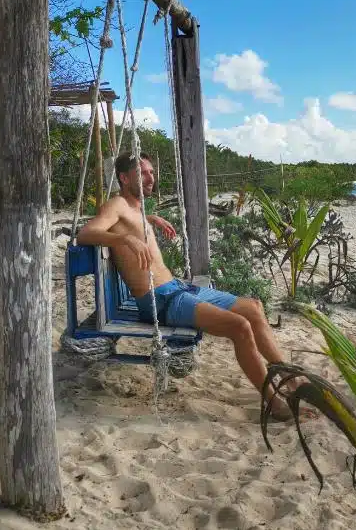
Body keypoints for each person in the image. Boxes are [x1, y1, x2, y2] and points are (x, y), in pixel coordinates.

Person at [76, 151, 302, 420]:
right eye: (143, 173)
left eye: (151, 172)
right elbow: (86, 233)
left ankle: (291, 381)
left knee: (253, 307)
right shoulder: (116, 205)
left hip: (176, 288)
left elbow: (130, 222)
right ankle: (274, 403)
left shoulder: (136, 208)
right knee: (239, 327)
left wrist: (151, 220)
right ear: (124, 178)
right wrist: (126, 241)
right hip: (158, 301)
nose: (151, 178)